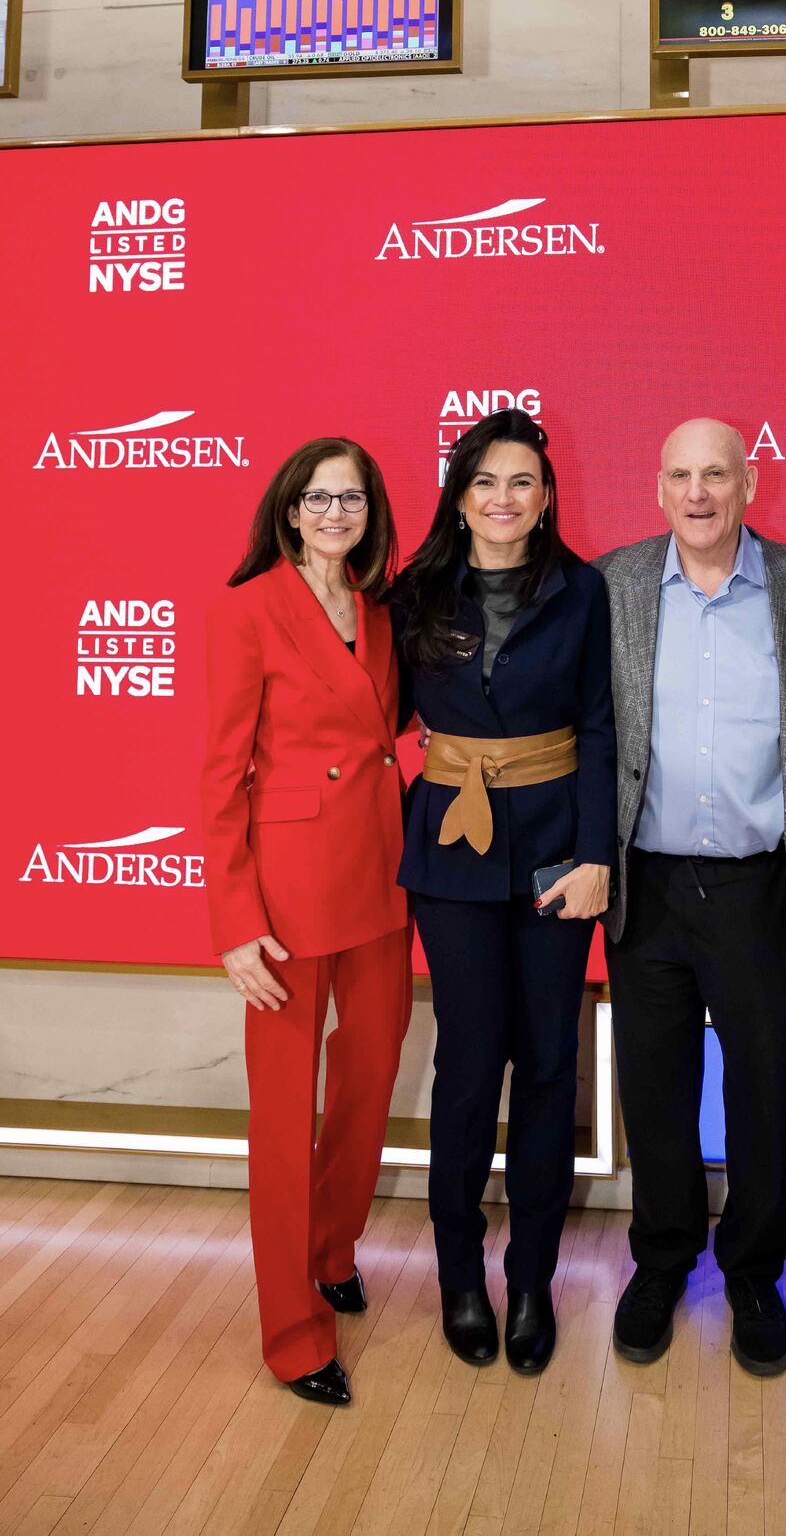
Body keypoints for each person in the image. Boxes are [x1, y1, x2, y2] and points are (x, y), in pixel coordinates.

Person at [394, 409, 615, 1377]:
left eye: (520, 481)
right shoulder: (412, 592)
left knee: (547, 1063)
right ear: (458, 493)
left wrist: (596, 855)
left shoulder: (582, 590)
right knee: (468, 1064)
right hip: (450, 848)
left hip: (555, 853)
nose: (502, 499)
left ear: (547, 496)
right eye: (484, 481)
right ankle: (457, 1276)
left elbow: (602, 730)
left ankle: (530, 1280)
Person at [596, 417, 786, 1377]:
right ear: (657, 488)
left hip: (765, 887)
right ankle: (662, 1259)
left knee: (767, 1087)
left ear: (749, 483)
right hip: (647, 883)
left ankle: (756, 1271)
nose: (698, 493)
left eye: (716, 474)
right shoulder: (615, 584)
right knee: (655, 1086)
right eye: (680, 474)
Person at [201, 436, 412, 1408]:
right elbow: (219, 777)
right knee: (284, 1116)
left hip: (379, 876)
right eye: (319, 499)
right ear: (289, 510)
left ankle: (332, 1250)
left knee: (368, 1081)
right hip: (285, 897)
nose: (335, 514)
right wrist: (235, 922)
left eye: (352, 500)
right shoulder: (248, 610)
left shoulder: (377, 610)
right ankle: (291, 1330)